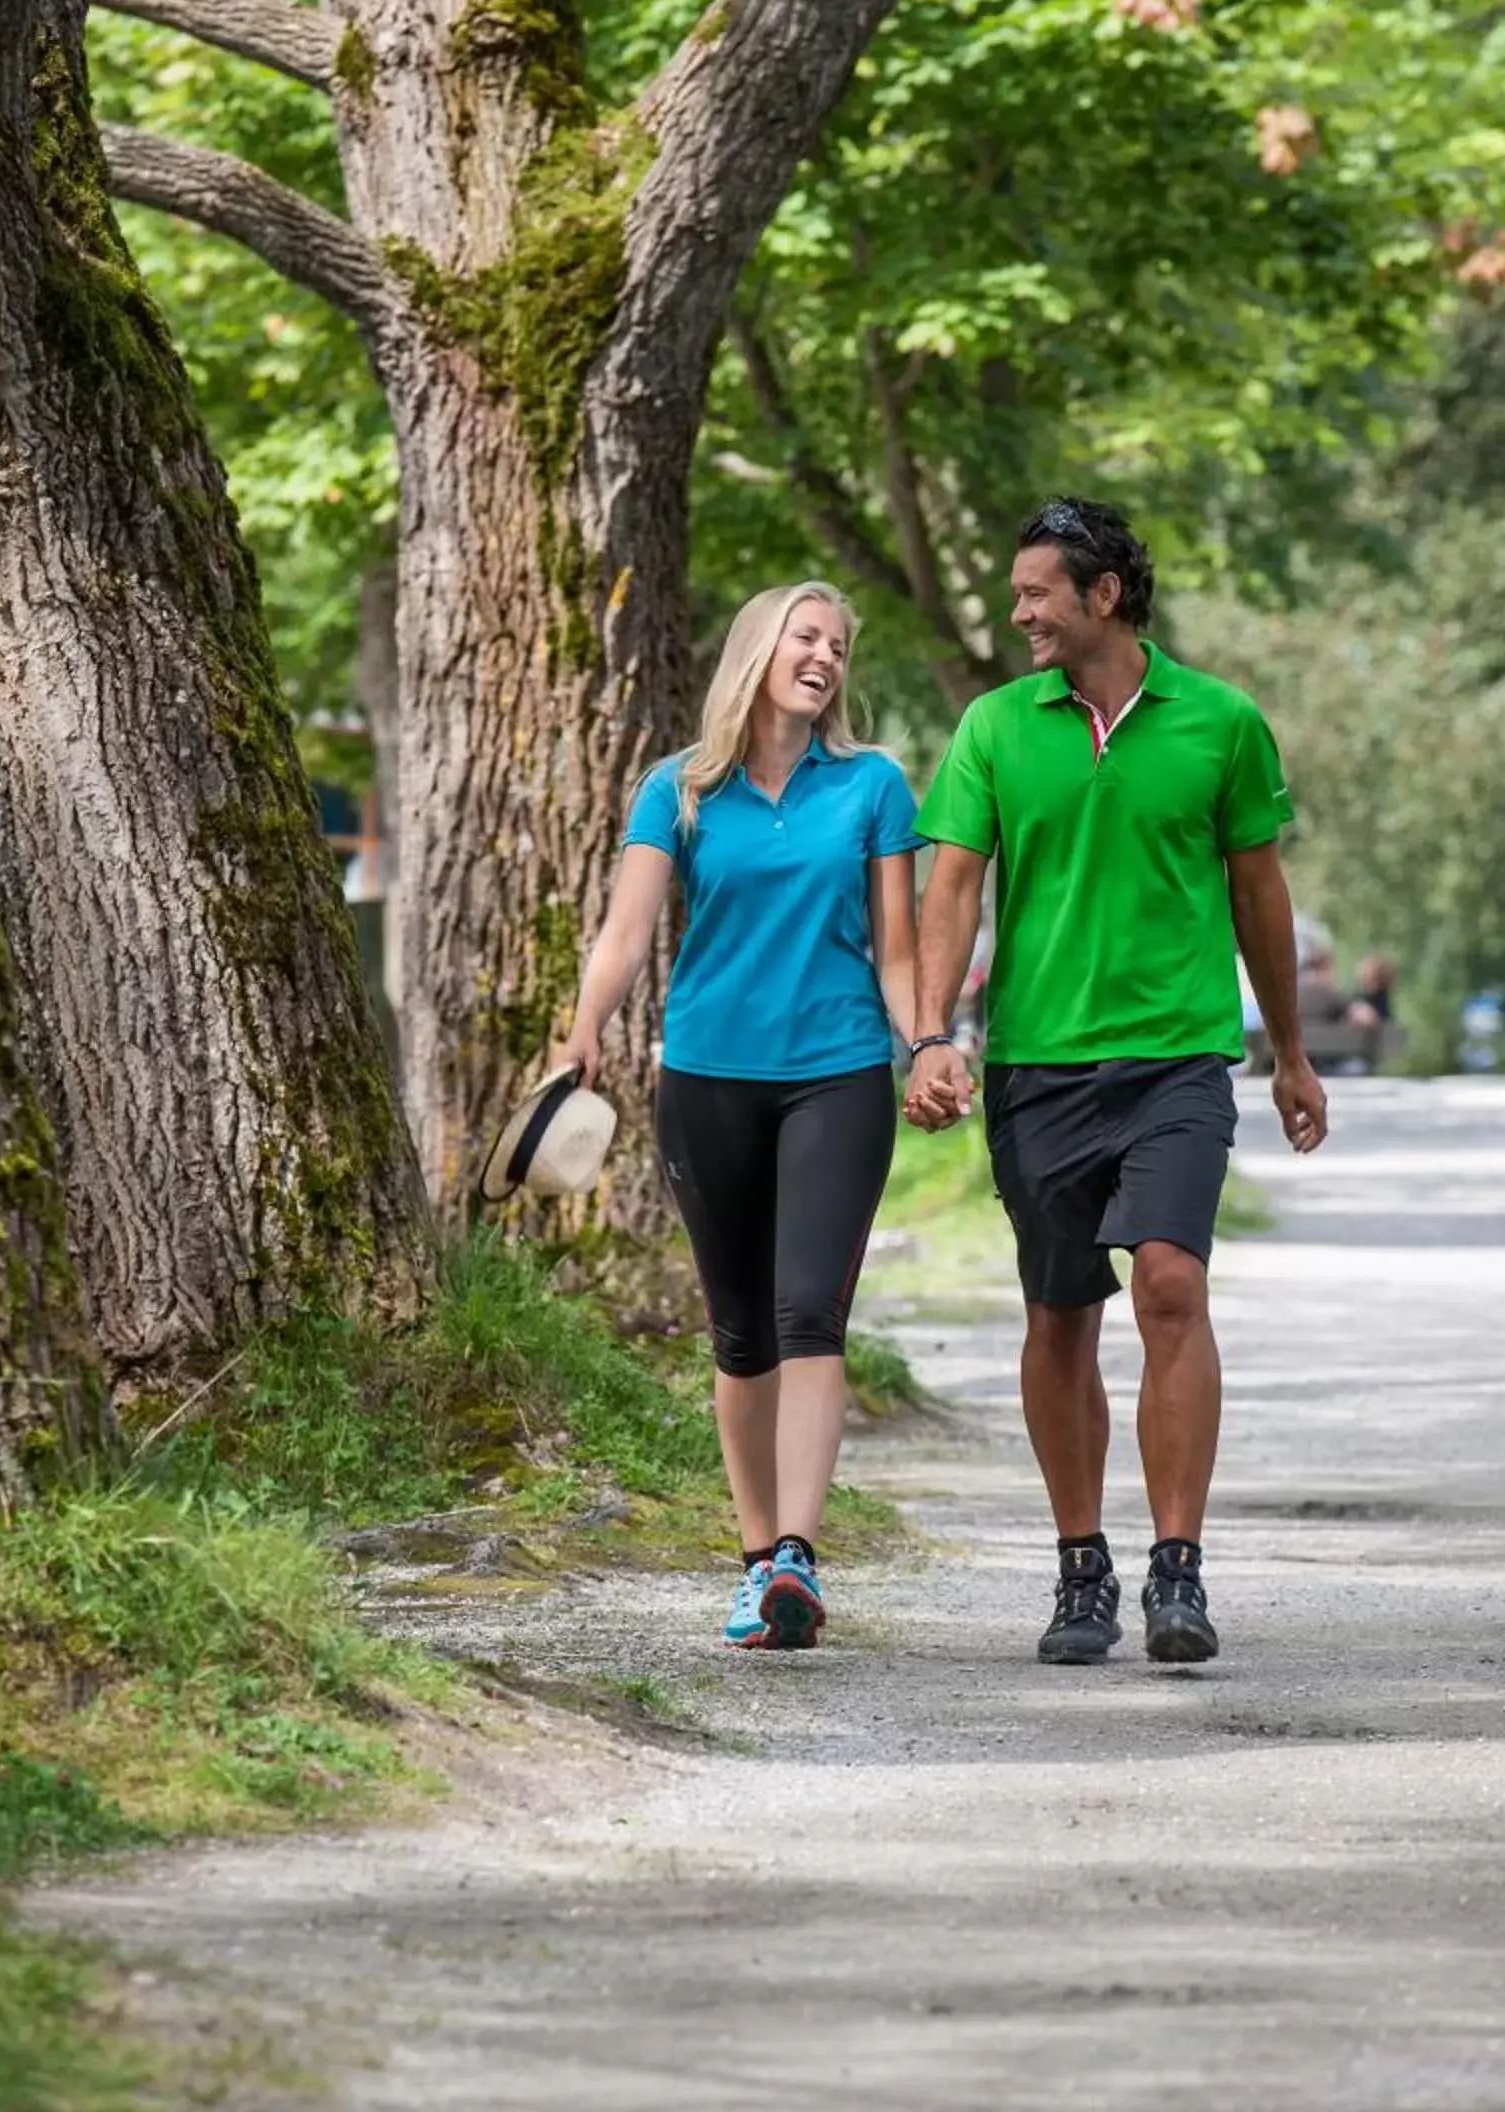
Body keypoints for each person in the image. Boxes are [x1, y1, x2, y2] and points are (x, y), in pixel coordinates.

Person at [903, 499, 1328, 1668]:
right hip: (1036, 1062)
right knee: (1058, 1312)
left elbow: (1257, 896)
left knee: (1169, 1287)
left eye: (1036, 590)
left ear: (1103, 595)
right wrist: (930, 1035)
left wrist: (1287, 1053)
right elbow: (949, 892)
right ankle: (1079, 1567)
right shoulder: (993, 727)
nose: (1017, 611)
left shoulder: (1220, 723)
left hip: (1177, 1058)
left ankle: (1176, 1570)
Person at [559, 583, 920, 1652]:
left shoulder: (871, 788)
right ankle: (756, 1561)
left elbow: (896, 954)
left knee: (810, 1310)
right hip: (706, 1077)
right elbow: (625, 934)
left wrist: (927, 1044)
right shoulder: (678, 787)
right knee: (738, 1330)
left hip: (837, 1073)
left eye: (839, 646)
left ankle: (800, 1556)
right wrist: (583, 1032)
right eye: (807, 637)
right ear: (760, 647)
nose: (824, 657)